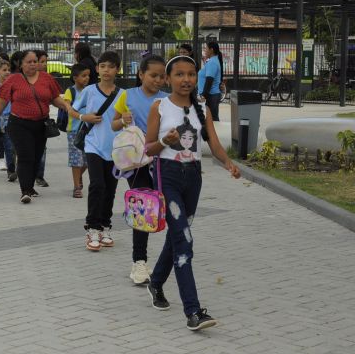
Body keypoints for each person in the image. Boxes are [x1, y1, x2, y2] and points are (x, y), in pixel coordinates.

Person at [144, 55, 240, 331]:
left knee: (177, 236)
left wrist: (228, 163)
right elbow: (148, 148)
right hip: (166, 176)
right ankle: (193, 311)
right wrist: (165, 141)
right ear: (167, 78)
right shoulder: (159, 107)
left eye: (191, 74)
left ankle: (157, 282)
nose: (186, 79)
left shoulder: (202, 108)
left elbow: (213, 142)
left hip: (193, 178)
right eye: (179, 74)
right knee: (184, 242)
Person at [110, 54, 167, 284]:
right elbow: (113, 123)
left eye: (162, 76)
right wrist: (122, 120)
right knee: (142, 209)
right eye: (153, 75)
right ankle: (139, 262)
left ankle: (167, 259)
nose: (158, 80)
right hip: (137, 162)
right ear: (141, 74)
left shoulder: (168, 99)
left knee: (164, 208)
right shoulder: (127, 95)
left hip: (163, 160)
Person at [0, 50, 67, 204]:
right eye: (28, 62)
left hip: (41, 124)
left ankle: (30, 187)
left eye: (35, 61)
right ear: (21, 64)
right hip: (19, 124)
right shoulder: (14, 80)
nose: (33, 64)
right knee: (25, 156)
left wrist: (67, 107)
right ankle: (25, 190)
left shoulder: (46, 78)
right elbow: (2, 102)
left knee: (36, 157)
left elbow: (55, 98)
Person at [68, 51, 122, 251]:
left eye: (111, 66)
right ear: (97, 69)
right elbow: (71, 109)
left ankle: (105, 226)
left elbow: (126, 117)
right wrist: (84, 118)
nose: (106, 70)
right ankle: (92, 227)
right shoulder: (89, 91)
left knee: (110, 189)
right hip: (93, 146)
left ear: (117, 69)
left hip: (115, 149)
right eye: (102, 66)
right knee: (97, 185)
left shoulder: (122, 94)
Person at [63, 63, 91, 198]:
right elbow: (67, 105)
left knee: (87, 161)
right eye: (83, 76)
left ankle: (78, 176)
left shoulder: (90, 90)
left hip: (88, 130)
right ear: (75, 78)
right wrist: (70, 108)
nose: (86, 78)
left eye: (88, 76)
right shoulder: (71, 91)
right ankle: (76, 187)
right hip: (74, 130)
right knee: (76, 160)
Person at [34, 50, 50, 187]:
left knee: (42, 149)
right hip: (25, 120)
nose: (44, 64)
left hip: (43, 119)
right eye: (42, 61)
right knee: (26, 149)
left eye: (46, 62)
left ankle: (39, 175)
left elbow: (54, 96)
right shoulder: (25, 77)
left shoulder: (47, 78)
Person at [198, 40, 223, 121]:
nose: (205, 50)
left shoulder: (212, 62)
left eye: (206, 48)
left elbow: (209, 80)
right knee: (212, 119)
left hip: (210, 96)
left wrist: (203, 95)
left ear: (211, 50)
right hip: (211, 96)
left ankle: (213, 134)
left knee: (211, 120)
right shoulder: (212, 61)